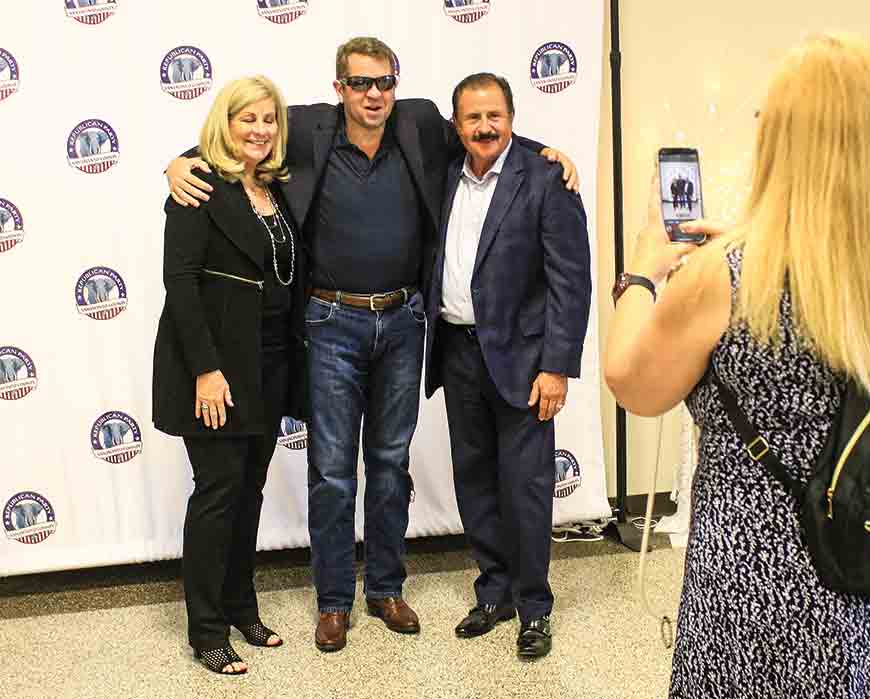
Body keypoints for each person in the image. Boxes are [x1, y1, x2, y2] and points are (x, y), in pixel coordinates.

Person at [165, 37, 578, 654]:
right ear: (339, 89)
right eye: (361, 83)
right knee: (331, 471)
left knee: (390, 464)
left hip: (405, 323)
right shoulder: (305, 130)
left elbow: (493, 137)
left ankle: (385, 588)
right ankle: (333, 602)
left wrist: (552, 156)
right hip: (331, 323)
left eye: (385, 81)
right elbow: (238, 133)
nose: (374, 94)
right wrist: (176, 161)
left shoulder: (418, 124)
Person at [604, 33, 870, 698]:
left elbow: (632, 378)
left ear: (792, 144)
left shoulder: (724, 279)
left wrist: (644, 274)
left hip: (771, 592)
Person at [424, 73, 590, 660]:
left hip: (524, 361)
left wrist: (558, 367)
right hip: (457, 352)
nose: (485, 127)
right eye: (472, 118)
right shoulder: (442, 171)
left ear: (513, 116)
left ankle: (534, 607)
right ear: (457, 124)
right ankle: (492, 591)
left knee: (525, 487)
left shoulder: (546, 176)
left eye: (494, 115)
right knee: (474, 481)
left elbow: (571, 281)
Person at [152, 75, 309, 675]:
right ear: (225, 122)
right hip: (217, 368)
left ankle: (243, 607)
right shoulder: (196, 182)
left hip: (269, 364)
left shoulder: (275, 185)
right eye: (247, 119)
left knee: (249, 494)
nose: (260, 130)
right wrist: (207, 371)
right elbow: (181, 284)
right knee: (218, 495)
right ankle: (207, 629)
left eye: (269, 120)